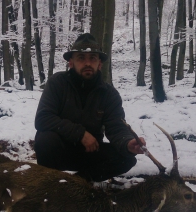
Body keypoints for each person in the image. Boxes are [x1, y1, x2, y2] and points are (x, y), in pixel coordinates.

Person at [34, 33, 146, 182]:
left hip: (90, 151)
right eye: (81, 58)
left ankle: (79, 183)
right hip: (59, 150)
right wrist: (81, 134)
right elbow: (43, 119)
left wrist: (127, 143)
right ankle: (48, 182)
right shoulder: (57, 83)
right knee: (44, 140)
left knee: (127, 159)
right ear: (71, 63)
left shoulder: (109, 94)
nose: (87, 63)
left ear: (99, 63)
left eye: (92, 58)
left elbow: (116, 127)